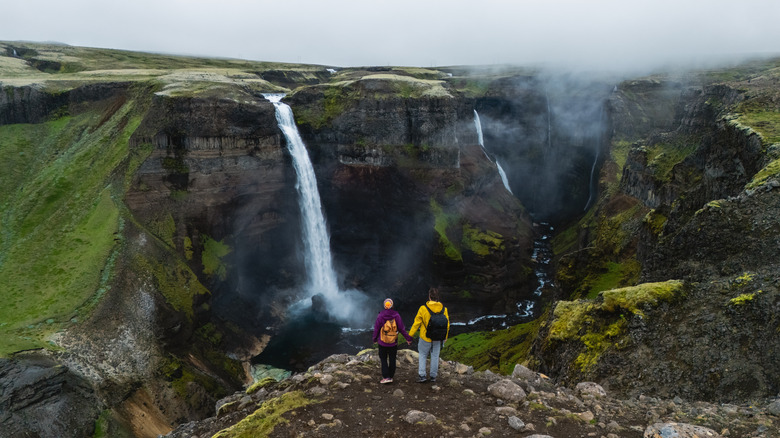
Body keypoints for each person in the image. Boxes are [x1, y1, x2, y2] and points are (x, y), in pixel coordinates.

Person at [408, 287, 450, 383]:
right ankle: (433, 377)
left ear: (429, 297)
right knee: (435, 356)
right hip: (438, 338)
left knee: (422, 355)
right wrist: (445, 337)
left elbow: (416, 324)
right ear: (437, 297)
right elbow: (447, 324)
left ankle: (422, 376)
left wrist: (410, 336)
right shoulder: (444, 309)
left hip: (425, 337)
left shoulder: (423, 309)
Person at [372, 298, 413, 384]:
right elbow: (402, 329)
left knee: (383, 359)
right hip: (393, 342)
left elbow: (376, 328)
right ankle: (390, 376)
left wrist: (374, 339)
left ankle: (386, 377)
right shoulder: (396, 315)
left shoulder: (381, 315)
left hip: (383, 342)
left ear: (384, 306)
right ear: (392, 306)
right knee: (392, 359)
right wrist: (408, 339)